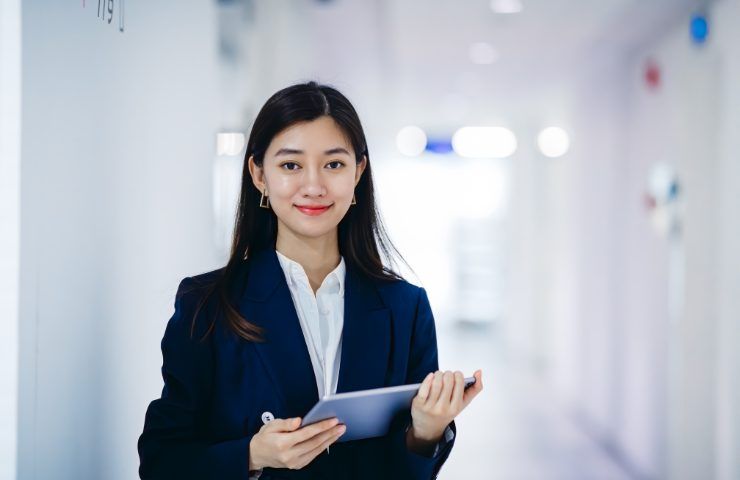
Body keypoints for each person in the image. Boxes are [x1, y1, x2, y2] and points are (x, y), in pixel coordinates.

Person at [137, 81, 483, 479]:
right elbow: (161, 462)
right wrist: (251, 455)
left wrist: (425, 432)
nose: (314, 186)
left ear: (359, 172)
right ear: (259, 174)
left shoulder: (405, 308)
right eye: (291, 165)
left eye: (334, 164)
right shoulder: (209, 304)